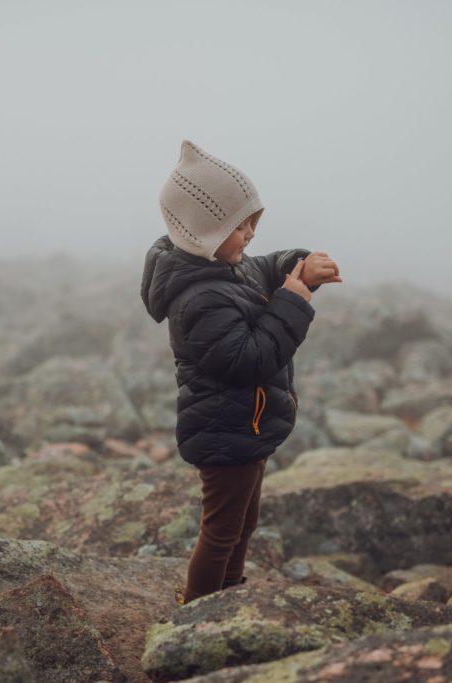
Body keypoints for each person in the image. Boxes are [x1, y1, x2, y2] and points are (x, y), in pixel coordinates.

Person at [140, 139, 341, 605]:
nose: (250, 234)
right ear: (204, 233)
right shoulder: (199, 298)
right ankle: (197, 610)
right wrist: (293, 303)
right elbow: (248, 359)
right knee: (221, 531)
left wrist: (298, 264)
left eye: (254, 221)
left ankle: (226, 594)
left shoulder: (226, 266)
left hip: (245, 427)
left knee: (243, 524)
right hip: (223, 431)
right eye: (240, 225)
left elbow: (263, 268)